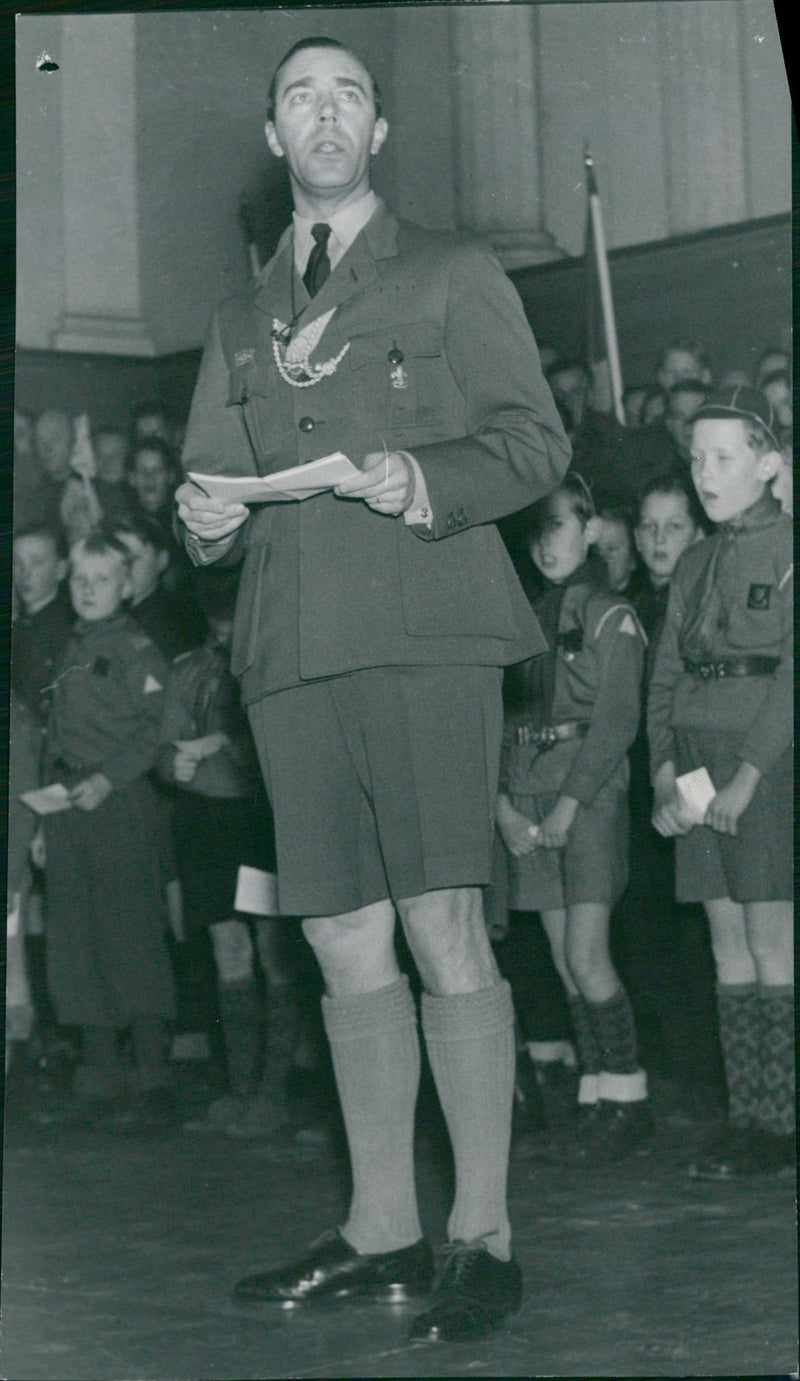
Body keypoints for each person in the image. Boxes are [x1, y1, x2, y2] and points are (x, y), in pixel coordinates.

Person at [175, 36, 570, 1343]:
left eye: (349, 92)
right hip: (290, 655)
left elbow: (532, 441)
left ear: (379, 130)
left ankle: (486, 1235)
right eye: (301, 95)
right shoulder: (240, 320)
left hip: (424, 631)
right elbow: (205, 494)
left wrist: (425, 479)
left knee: (443, 925)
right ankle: (383, 1229)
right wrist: (205, 523)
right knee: (341, 937)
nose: (326, 113)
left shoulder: (454, 270)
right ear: (275, 135)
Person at [648, 386, 793, 1178]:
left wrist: (751, 775)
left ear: (768, 463)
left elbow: (793, 675)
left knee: (773, 943)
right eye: (696, 458)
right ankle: (747, 1115)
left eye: (724, 458)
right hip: (697, 762)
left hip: (761, 764)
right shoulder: (696, 559)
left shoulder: (790, 545)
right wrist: (665, 770)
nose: (706, 473)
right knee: (724, 940)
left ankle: (782, 1121)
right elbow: (665, 671)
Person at [496, 474, 651, 1163]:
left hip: (585, 794)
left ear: (589, 529)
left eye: (557, 525)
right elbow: (501, 720)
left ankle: (627, 1094)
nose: (545, 543)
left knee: (588, 955)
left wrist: (568, 802)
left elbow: (616, 720)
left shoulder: (611, 613)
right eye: (535, 532)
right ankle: (594, 1094)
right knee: (563, 961)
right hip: (528, 796)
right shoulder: (524, 617)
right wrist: (502, 803)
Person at [40, 531, 176, 1128]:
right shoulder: (67, 647)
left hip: (119, 805)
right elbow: (55, 736)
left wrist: (111, 779)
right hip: (69, 807)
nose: (89, 590)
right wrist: (46, 818)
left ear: (127, 585)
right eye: (79, 580)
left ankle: (151, 1080)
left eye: (102, 579)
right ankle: (99, 1076)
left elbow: (154, 730)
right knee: (76, 938)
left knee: (131, 936)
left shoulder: (139, 650)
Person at [615, 472, 724, 1118]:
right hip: (636, 785)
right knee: (644, 930)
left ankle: (708, 1079)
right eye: (649, 528)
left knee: (698, 934)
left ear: (699, 532)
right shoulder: (626, 602)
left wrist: (685, 788)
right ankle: (672, 1078)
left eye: (673, 527)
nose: (659, 540)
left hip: (693, 783)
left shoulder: (704, 601)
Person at [12, 522, 73, 723]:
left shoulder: (61, 631)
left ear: (61, 569)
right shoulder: (24, 623)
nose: (25, 574)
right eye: (17, 563)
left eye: (36, 562)